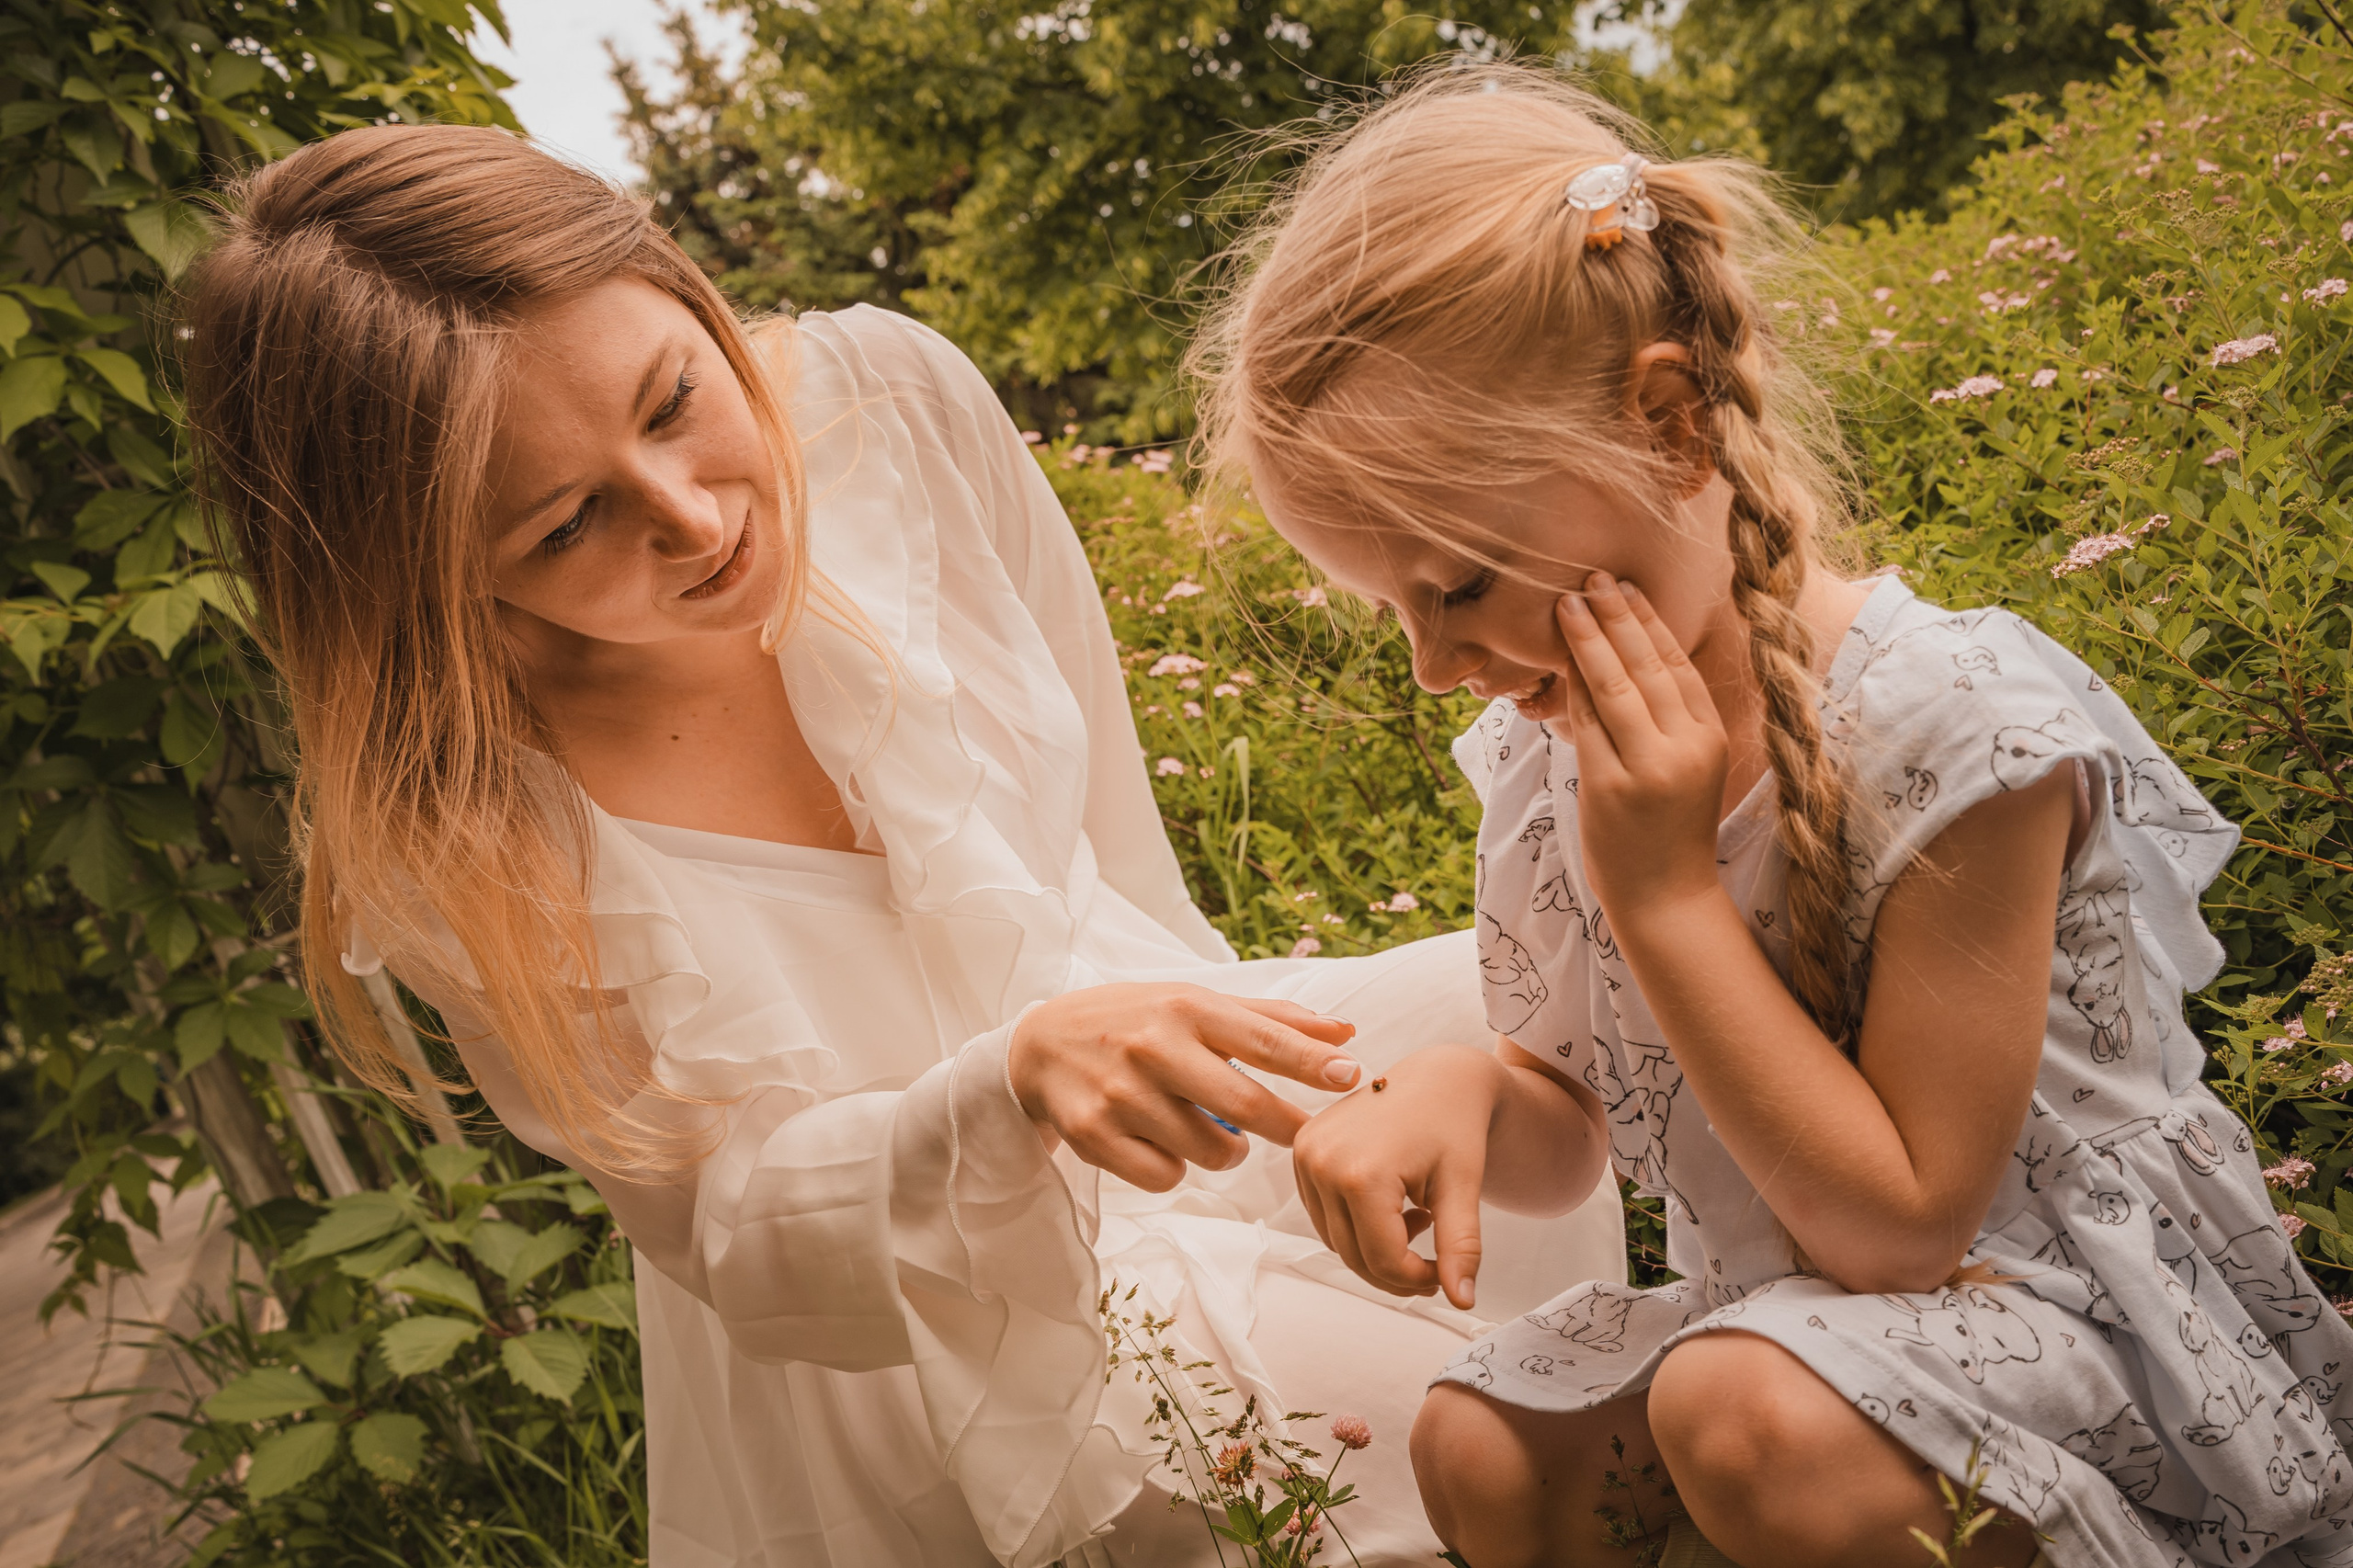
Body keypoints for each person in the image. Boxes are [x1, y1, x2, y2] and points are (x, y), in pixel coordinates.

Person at [175, 124, 1623, 1568]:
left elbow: (1120, 854)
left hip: (1157, 1076)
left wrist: (1215, 1112)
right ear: (432, 579)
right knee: (1480, 1460)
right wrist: (1006, 1089)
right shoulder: (456, 823)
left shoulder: (895, 401)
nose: (693, 517)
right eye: (566, 527)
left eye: (676, 398)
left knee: (1544, 1013)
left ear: (679, 286)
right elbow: (728, 1226)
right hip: (912, 1323)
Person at [1188, 62, 2353, 1568]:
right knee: (1484, 1441)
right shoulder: (1557, 755)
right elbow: (1573, 1119)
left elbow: (1907, 1229)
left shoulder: (1943, 726)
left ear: (1670, 423)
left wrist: (1664, 889)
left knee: (1744, 1410)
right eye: (1389, 612)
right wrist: (1454, 1102)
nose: (1434, 666)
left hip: (2065, 1327)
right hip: (1791, 1329)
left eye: (1459, 584)